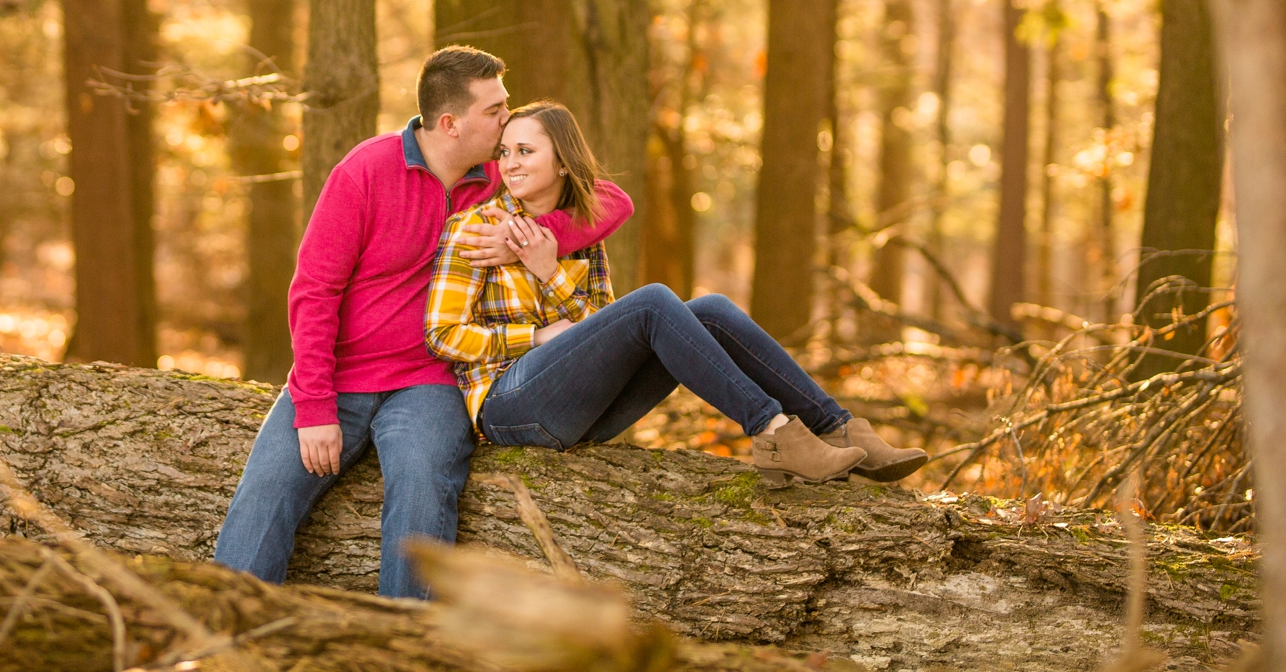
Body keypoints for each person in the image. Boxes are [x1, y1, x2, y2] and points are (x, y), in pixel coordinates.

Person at [212, 48, 632, 598]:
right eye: (496, 110)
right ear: (451, 123)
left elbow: (612, 199)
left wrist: (521, 239)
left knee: (421, 492)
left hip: (433, 381)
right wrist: (314, 405)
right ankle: (213, 634)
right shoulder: (367, 169)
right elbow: (314, 291)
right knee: (263, 497)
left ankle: (408, 645)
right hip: (337, 378)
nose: (509, 120)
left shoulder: (500, 179)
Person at [426, 101, 927, 488]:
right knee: (653, 302)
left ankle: (837, 427)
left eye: (526, 151)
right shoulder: (476, 228)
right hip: (506, 409)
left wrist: (549, 272)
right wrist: (533, 338)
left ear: (563, 162)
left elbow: (601, 331)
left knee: (708, 309)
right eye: (505, 152)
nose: (509, 165)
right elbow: (442, 336)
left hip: (580, 412)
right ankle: (773, 432)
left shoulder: (582, 234)